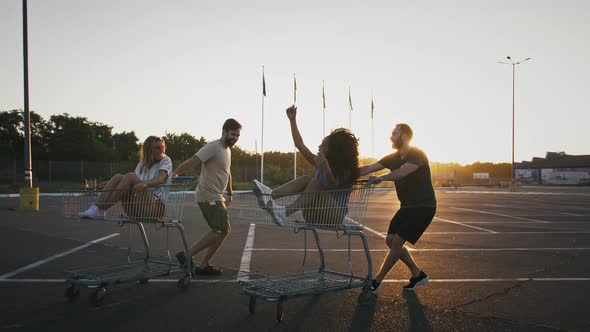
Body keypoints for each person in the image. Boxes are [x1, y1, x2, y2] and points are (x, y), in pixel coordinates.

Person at [253, 105, 360, 226]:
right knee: (305, 179)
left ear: (334, 150)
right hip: (313, 213)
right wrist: (292, 120)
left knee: (316, 183)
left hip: (334, 216)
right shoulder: (318, 162)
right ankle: (269, 195)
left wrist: (325, 167)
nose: (319, 146)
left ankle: (284, 213)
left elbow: (333, 185)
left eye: (323, 145)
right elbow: (300, 144)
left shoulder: (346, 170)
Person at [360, 123, 436, 291]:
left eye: (395, 133)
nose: (391, 136)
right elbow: (369, 167)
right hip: (407, 207)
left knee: (397, 242)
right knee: (390, 240)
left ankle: (377, 281)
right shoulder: (393, 157)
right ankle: (418, 274)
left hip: (423, 206)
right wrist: (345, 174)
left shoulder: (417, 154)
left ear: (405, 136)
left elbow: (402, 172)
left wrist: (381, 178)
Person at [172, 118, 241, 275]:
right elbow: (194, 161)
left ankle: (203, 265)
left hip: (217, 196)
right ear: (224, 131)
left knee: (223, 230)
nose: (235, 138)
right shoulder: (213, 146)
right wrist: (176, 171)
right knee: (221, 230)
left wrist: (230, 192)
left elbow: (227, 172)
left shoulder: (227, 150)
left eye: (237, 136)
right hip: (208, 196)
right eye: (233, 134)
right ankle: (187, 255)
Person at [79, 136, 173, 220]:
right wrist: (111, 183)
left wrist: (145, 184)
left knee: (129, 176)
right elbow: (128, 183)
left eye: (163, 147)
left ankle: (100, 209)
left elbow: (161, 179)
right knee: (118, 177)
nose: (162, 150)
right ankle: (98, 209)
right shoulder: (141, 165)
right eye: (158, 148)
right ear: (149, 150)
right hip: (137, 207)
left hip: (155, 209)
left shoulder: (165, 160)